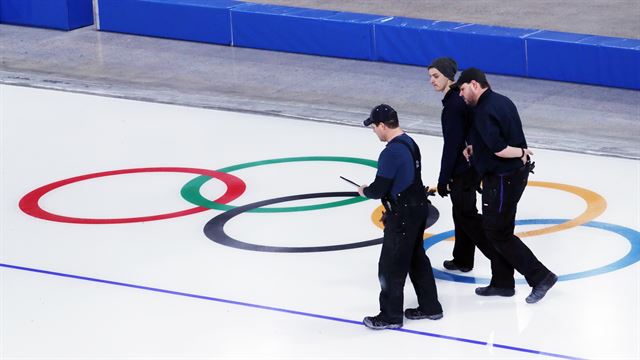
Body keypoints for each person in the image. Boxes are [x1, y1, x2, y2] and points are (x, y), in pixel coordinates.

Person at [451, 68, 557, 303]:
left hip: (501, 179)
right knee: (496, 229)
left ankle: (540, 276)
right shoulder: (502, 101)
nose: (461, 95)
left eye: (463, 89)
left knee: (498, 232)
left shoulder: (484, 111)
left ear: (475, 85)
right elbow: (498, 137)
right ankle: (502, 282)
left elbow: (499, 148)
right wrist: (476, 149)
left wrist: (521, 152)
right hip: (510, 177)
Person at [357, 104, 443, 330]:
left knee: (390, 266)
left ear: (384, 126)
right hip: (418, 209)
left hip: (403, 215)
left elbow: (378, 189)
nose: (374, 131)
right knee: (416, 259)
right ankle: (431, 306)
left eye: (375, 127)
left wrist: (364, 190)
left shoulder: (391, 152)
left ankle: (390, 316)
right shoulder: (410, 143)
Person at [427, 57, 478, 273]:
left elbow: (452, 145)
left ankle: (499, 257)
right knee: (462, 214)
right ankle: (463, 258)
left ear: (448, 76)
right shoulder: (456, 99)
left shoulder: (454, 105)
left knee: (467, 216)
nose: (431, 81)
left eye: (436, 76)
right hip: (467, 168)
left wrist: (443, 178)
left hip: (462, 171)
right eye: (430, 76)